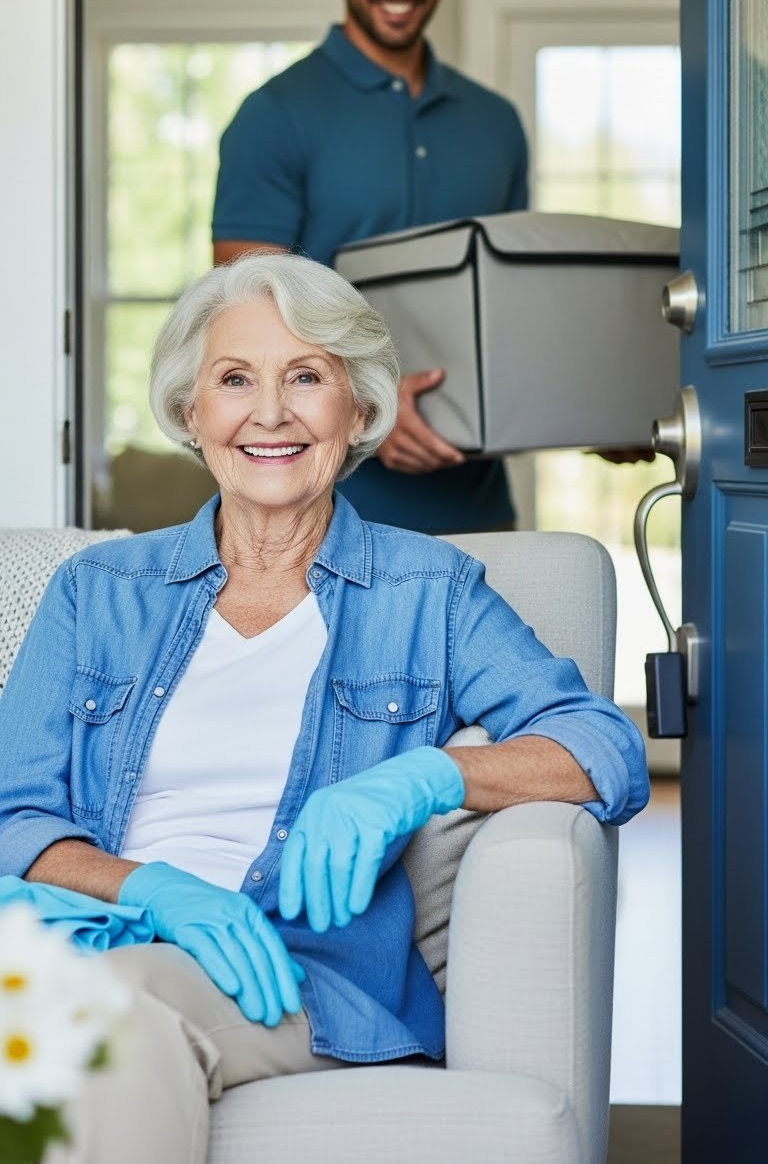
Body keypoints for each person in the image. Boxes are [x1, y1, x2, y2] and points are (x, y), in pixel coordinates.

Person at [0, 253, 649, 1163]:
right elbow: (12, 815)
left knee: (105, 1015)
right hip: (87, 930)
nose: (270, 413)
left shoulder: (432, 593)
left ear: (358, 410)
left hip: (290, 972)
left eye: (306, 376)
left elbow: (606, 748)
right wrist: (148, 884)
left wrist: (426, 776)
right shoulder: (96, 592)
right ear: (194, 412)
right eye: (235, 380)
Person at [212, 0, 529, 536]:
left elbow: (514, 309)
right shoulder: (275, 115)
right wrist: (371, 416)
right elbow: (249, 321)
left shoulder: (495, 123)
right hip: (328, 519)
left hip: (482, 516)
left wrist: (597, 406)